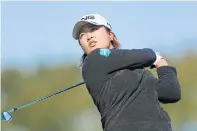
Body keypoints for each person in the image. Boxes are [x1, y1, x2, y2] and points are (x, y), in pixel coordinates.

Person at [72, 14, 181, 131]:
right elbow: (147, 55)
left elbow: (171, 93)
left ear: (110, 35)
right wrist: (156, 56)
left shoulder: (141, 73)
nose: (88, 36)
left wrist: (161, 63)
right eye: (82, 35)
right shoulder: (94, 59)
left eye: (93, 29)